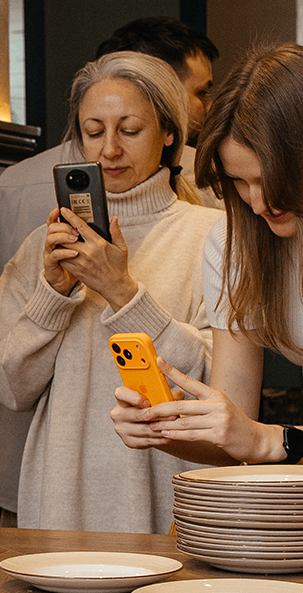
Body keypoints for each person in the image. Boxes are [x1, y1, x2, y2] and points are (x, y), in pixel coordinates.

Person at [0, 16, 220, 524]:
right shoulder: (44, 246)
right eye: (94, 132)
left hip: (170, 505)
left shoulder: (212, 236)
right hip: (57, 505)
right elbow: (7, 387)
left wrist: (122, 292)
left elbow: (217, 387)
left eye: (130, 130)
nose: (109, 149)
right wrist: (51, 297)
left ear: (169, 132)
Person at [111, 44, 303, 466]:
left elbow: (260, 440)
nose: (258, 202)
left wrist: (274, 440)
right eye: (239, 182)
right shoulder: (234, 244)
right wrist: (163, 429)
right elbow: (232, 440)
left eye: (270, 179)